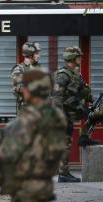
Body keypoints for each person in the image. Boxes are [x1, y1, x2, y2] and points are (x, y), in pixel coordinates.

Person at [0, 70, 67, 202]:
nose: (23, 91)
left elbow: (9, 153)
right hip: (45, 185)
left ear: (33, 90)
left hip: (27, 188)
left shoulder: (30, 118)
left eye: (26, 87)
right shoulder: (57, 115)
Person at [52, 46, 92, 183]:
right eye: (78, 56)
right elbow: (57, 96)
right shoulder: (63, 74)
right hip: (63, 114)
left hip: (70, 113)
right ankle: (63, 174)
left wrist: (90, 100)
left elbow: (81, 90)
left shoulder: (75, 73)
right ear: (72, 58)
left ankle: (64, 172)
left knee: (66, 142)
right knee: (64, 143)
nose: (80, 58)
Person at [11, 42, 41, 113]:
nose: (39, 56)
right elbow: (18, 88)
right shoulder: (19, 69)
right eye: (36, 53)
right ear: (30, 55)